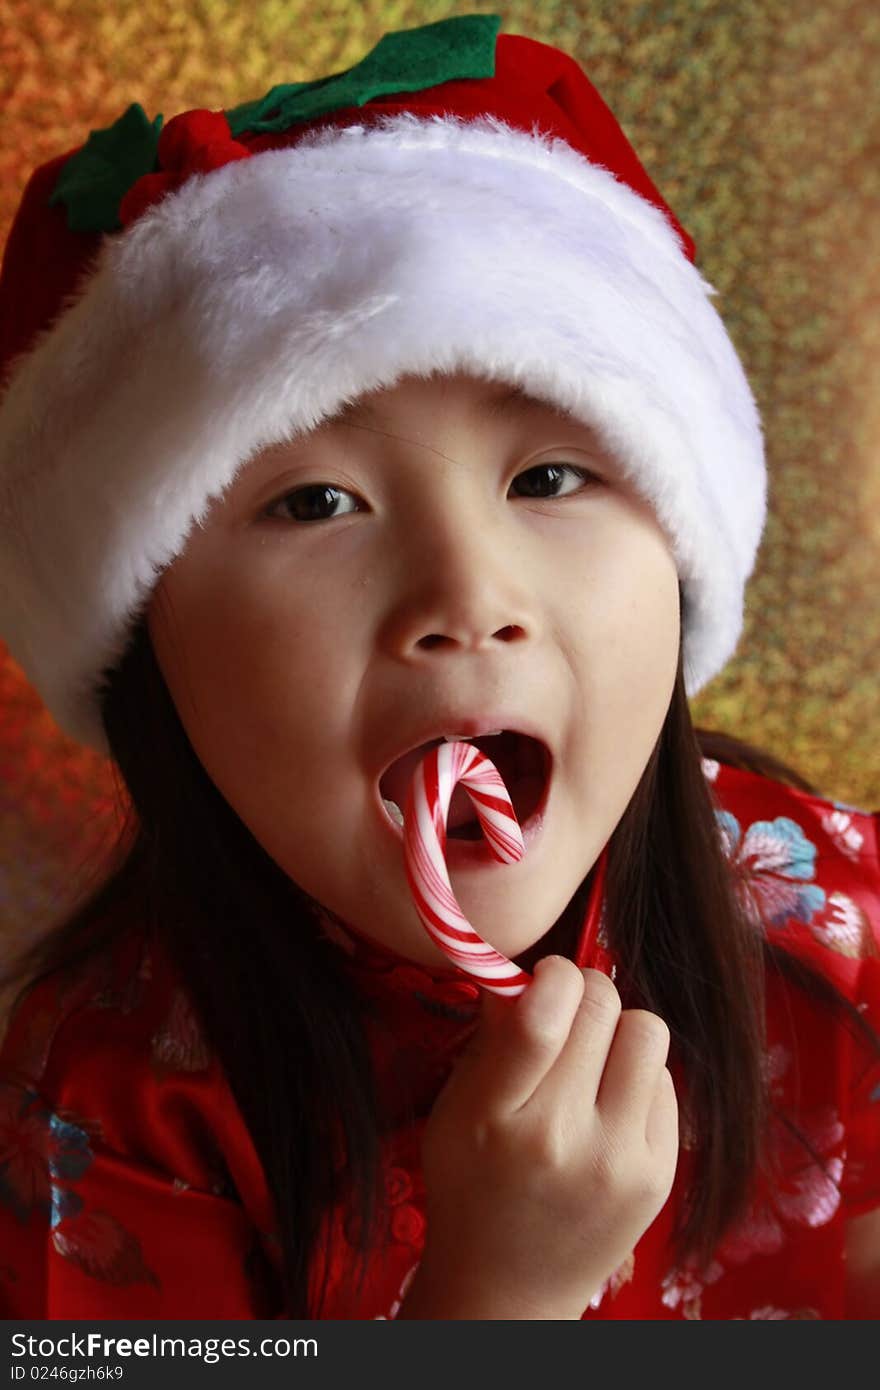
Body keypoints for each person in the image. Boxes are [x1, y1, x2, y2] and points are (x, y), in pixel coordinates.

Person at [0, 13, 877, 1321]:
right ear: (147, 643)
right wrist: (491, 1297)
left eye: (551, 475)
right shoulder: (91, 1106)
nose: (470, 595)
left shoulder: (838, 912)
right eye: (313, 503)